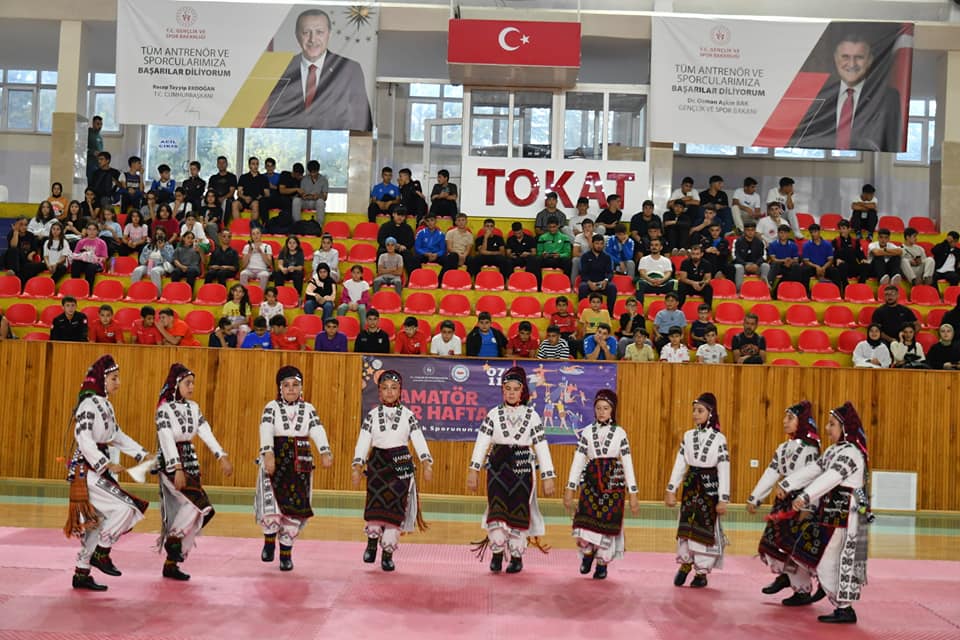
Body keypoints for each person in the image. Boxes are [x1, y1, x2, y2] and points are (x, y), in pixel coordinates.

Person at [64, 355, 152, 591]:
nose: (118, 382)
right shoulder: (88, 404)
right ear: (101, 379)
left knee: (97, 521)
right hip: (87, 470)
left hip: (96, 469)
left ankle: (81, 573)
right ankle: (101, 553)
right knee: (126, 507)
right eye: (114, 378)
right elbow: (83, 439)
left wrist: (142, 454)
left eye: (118, 378)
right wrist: (105, 463)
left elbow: (117, 436)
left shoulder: (106, 405)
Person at [780, 402, 871, 624]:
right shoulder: (833, 450)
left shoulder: (851, 453)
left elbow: (831, 478)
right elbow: (815, 470)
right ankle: (838, 600)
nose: (827, 429)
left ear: (845, 429)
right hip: (832, 512)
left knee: (838, 558)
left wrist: (805, 496)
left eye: (832, 425)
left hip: (847, 514)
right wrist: (789, 483)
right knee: (822, 555)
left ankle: (845, 607)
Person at [467, 367, 555, 574]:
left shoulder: (533, 416)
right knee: (496, 510)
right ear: (502, 390)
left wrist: (548, 475)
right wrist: (474, 469)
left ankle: (516, 556)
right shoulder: (493, 414)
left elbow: (541, 445)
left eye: (516, 389)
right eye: (507, 389)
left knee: (519, 512)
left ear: (522, 391)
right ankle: (497, 552)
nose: (511, 393)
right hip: (497, 468)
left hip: (523, 470)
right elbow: (482, 442)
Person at [154, 364, 232, 581]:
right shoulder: (164, 410)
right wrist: (176, 467)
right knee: (202, 506)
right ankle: (173, 540)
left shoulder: (194, 407)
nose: (191, 387)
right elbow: (166, 439)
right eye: (187, 383)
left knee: (198, 512)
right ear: (176, 385)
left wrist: (221, 455)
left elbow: (205, 432)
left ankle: (172, 562)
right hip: (171, 464)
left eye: (193, 383)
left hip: (191, 460)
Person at [353, 370, 432, 571]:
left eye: (394, 388)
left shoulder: (408, 415)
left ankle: (387, 553)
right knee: (375, 505)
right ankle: (371, 543)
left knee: (396, 509)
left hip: (401, 465)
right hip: (377, 463)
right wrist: (357, 464)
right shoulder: (372, 415)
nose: (389, 392)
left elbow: (418, 438)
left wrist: (426, 461)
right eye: (385, 388)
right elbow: (364, 440)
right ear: (379, 391)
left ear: (400, 391)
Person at [256, 366, 333, 571]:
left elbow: (317, 429)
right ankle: (269, 539)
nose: (291, 389)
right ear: (280, 388)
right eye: (286, 385)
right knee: (271, 505)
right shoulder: (271, 407)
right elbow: (266, 428)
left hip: (300, 462)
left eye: (295, 385)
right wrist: (268, 453)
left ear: (301, 387)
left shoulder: (309, 409)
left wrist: (325, 451)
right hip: (276, 459)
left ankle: (285, 554)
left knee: (295, 510)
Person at [746, 401, 823, 605]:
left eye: (790, 418)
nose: (784, 422)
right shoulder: (783, 448)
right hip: (783, 503)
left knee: (795, 549)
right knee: (773, 545)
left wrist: (809, 506)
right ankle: (787, 577)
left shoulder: (811, 449)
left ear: (802, 422)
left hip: (801, 503)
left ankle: (802, 590)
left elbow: (813, 479)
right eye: (784, 417)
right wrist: (755, 497)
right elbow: (772, 472)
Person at [564, 390, 639, 580]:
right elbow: (578, 459)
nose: (602, 412)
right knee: (585, 522)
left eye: (606, 408)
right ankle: (588, 554)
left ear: (612, 410)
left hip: (613, 482)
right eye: (598, 408)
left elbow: (627, 462)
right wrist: (570, 488)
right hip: (591, 481)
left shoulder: (620, 433)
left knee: (607, 525)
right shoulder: (588, 432)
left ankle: (601, 563)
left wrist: (633, 492)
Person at [259, 9, 372, 131]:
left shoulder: (349, 70)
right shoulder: (280, 70)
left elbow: (362, 123)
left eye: (319, 32)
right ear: (297, 35)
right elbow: (272, 121)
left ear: (329, 34)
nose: (313, 39)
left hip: (336, 147)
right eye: (306, 32)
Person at [790, 32, 902, 152]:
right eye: (845, 57)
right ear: (836, 58)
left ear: (870, 60)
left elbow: (892, 143)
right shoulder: (818, 96)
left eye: (859, 57)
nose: (852, 64)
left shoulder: (888, 99)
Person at [665, 392, 729, 588]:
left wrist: (723, 498)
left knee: (704, 528)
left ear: (710, 413)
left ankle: (701, 571)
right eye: (694, 410)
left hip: (710, 487)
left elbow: (724, 468)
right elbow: (680, 463)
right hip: (691, 484)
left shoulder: (719, 439)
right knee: (685, 526)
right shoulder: (688, 436)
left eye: (700, 410)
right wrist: (671, 488)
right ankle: (685, 563)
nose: (695, 414)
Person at [578, 234, 617, 314]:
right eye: (597, 243)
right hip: (589, 283)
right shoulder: (585, 256)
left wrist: (605, 281)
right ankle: (582, 313)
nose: (599, 246)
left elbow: (610, 272)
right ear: (592, 244)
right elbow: (583, 273)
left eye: (601, 243)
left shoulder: (607, 257)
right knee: (582, 287)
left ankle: (609, 313)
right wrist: (589, 283)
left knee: (612, 287)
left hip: (602, 283)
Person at [4, 216, 44, 288]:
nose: (24, 227)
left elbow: (34, 249)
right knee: (14, 250)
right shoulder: (11, 234)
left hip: (25, 262)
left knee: (41, 265)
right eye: (21, 224)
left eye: (25, 225)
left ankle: (19, 281)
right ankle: (14, 271)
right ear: (16, 225)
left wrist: (31, 254)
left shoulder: (30, 235)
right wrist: (15, 232)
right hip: (15, 262)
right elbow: (13, 246)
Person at [802, 223, 844, 290]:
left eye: (815, 232)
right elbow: (806, 261)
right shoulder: (806, 245)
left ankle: (838, 292)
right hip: (813, 267)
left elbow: (830, 260)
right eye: (811, 232)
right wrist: (816, 267)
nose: (813, 234)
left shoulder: (827, 244)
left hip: (825, 267)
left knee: (835, 271)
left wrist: (823, 268)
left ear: (819, 231)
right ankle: (805, 292)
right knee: (805, 271)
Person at [636, 237, 676, 306]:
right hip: (648, 282)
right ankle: (640, 310)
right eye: (652, 245)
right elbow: (642, 272)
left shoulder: (666, 260)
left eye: (656, 245)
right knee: (640, 283)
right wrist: (651, 280)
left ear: (661, 247)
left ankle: (672, 308)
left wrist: (661, 280)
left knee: (674, 283)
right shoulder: (644, 259)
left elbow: (668, 273)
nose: (654, 247)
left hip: (662, 283)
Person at [767, 224, 806, 293]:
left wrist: (790, 261)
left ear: (788, 234)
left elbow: (796, 260)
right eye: (781, 233)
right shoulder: (773, 244)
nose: (783, 235)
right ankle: (768, 286)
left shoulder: (793, 245)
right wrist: (784, 260)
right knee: (775, 264)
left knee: (796, 266)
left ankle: (797, 289)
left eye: (785, 233)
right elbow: (773, 259)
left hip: (789, 266)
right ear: (778, 234)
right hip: (778, 266)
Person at [733, 220, 770, 291]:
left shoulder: (760, 242)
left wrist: (756, 265)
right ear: (744, 231)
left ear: (755, 231)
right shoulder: (737, 241)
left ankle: (764, 288)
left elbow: (763, 256)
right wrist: (745, 265)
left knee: (765, 266)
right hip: (742, 266)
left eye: (752, 230)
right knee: (738, 267)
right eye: (748, 230)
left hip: (756, 266)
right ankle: (739, 290)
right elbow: (735, 256)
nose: (750, 232)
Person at [71, 222, 109, 289]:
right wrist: (83, 255)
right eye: (89, 229)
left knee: (90, 267)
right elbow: (75, 255)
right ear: (86, 230)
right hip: (83, 262)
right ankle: (75, 287)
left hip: (95, 263)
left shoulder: (102, 243)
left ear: (97, 231)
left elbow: (105, 258)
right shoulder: (81, 242)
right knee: (75, 264)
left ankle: (88, 290)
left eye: (94, 229)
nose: (92, 231)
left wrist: (95, 258)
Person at [832, 218, 867, 286]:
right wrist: (836, 260)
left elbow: (860, 253)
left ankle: (861, 285)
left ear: (849, 229)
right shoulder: (835, 241)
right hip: (842, 267)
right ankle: (845, 286)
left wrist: (863, 259)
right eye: (840, 228)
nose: (841, 230)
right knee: (841, 266)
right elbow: (833, 254)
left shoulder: (855, 241)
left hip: (853, 266)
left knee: (865, 265)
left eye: (844, 228)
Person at [677, 243, 713, 308]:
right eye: (693, 254)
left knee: (708, 288)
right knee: (681, 285)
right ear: (690, 254)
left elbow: (708, 278)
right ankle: (678, 309)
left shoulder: (706, 264)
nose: (695, 256)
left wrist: (702, 284)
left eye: (697, 254)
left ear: (701, 254)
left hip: (700, 286)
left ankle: (707, 310)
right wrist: (693, 283)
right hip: (689, 285)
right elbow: (683, 278)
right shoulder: (685, 262)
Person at [296, 160, 328, 225]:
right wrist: (304, 196)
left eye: (314, 172)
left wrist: (318, 196)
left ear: (318, 170)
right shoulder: (304, 179)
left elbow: (325, 197)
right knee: (296, 200)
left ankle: (319, 226)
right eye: (311, 172)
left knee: (321, 202)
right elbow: (302, 194)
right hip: (305, 202)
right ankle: (297, 224)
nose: (312, 174)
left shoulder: (324, 180)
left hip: (316, 202)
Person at [86, 115, 103, 183]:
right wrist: (92, 152)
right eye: (98, 124)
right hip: (90, 164)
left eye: (101, 124)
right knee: (90, 184)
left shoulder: (99, 136)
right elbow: (80, 148)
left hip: (98, 164)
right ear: (93, 123)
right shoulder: (88, 133)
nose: (100, 126)